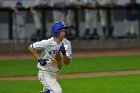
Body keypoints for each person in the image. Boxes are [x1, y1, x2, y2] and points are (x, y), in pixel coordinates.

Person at [28, 22, 72, 93]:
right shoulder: (47, 43)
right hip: (45, 72)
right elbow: (31, 47)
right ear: (56, 32)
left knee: (49, 91)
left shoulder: (67, 43)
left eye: (64, 31)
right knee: (57, 91)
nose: (64, 33)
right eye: (62, 31)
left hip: (55, 72)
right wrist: (39, 59)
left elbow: (66, 62)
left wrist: (64, 54)